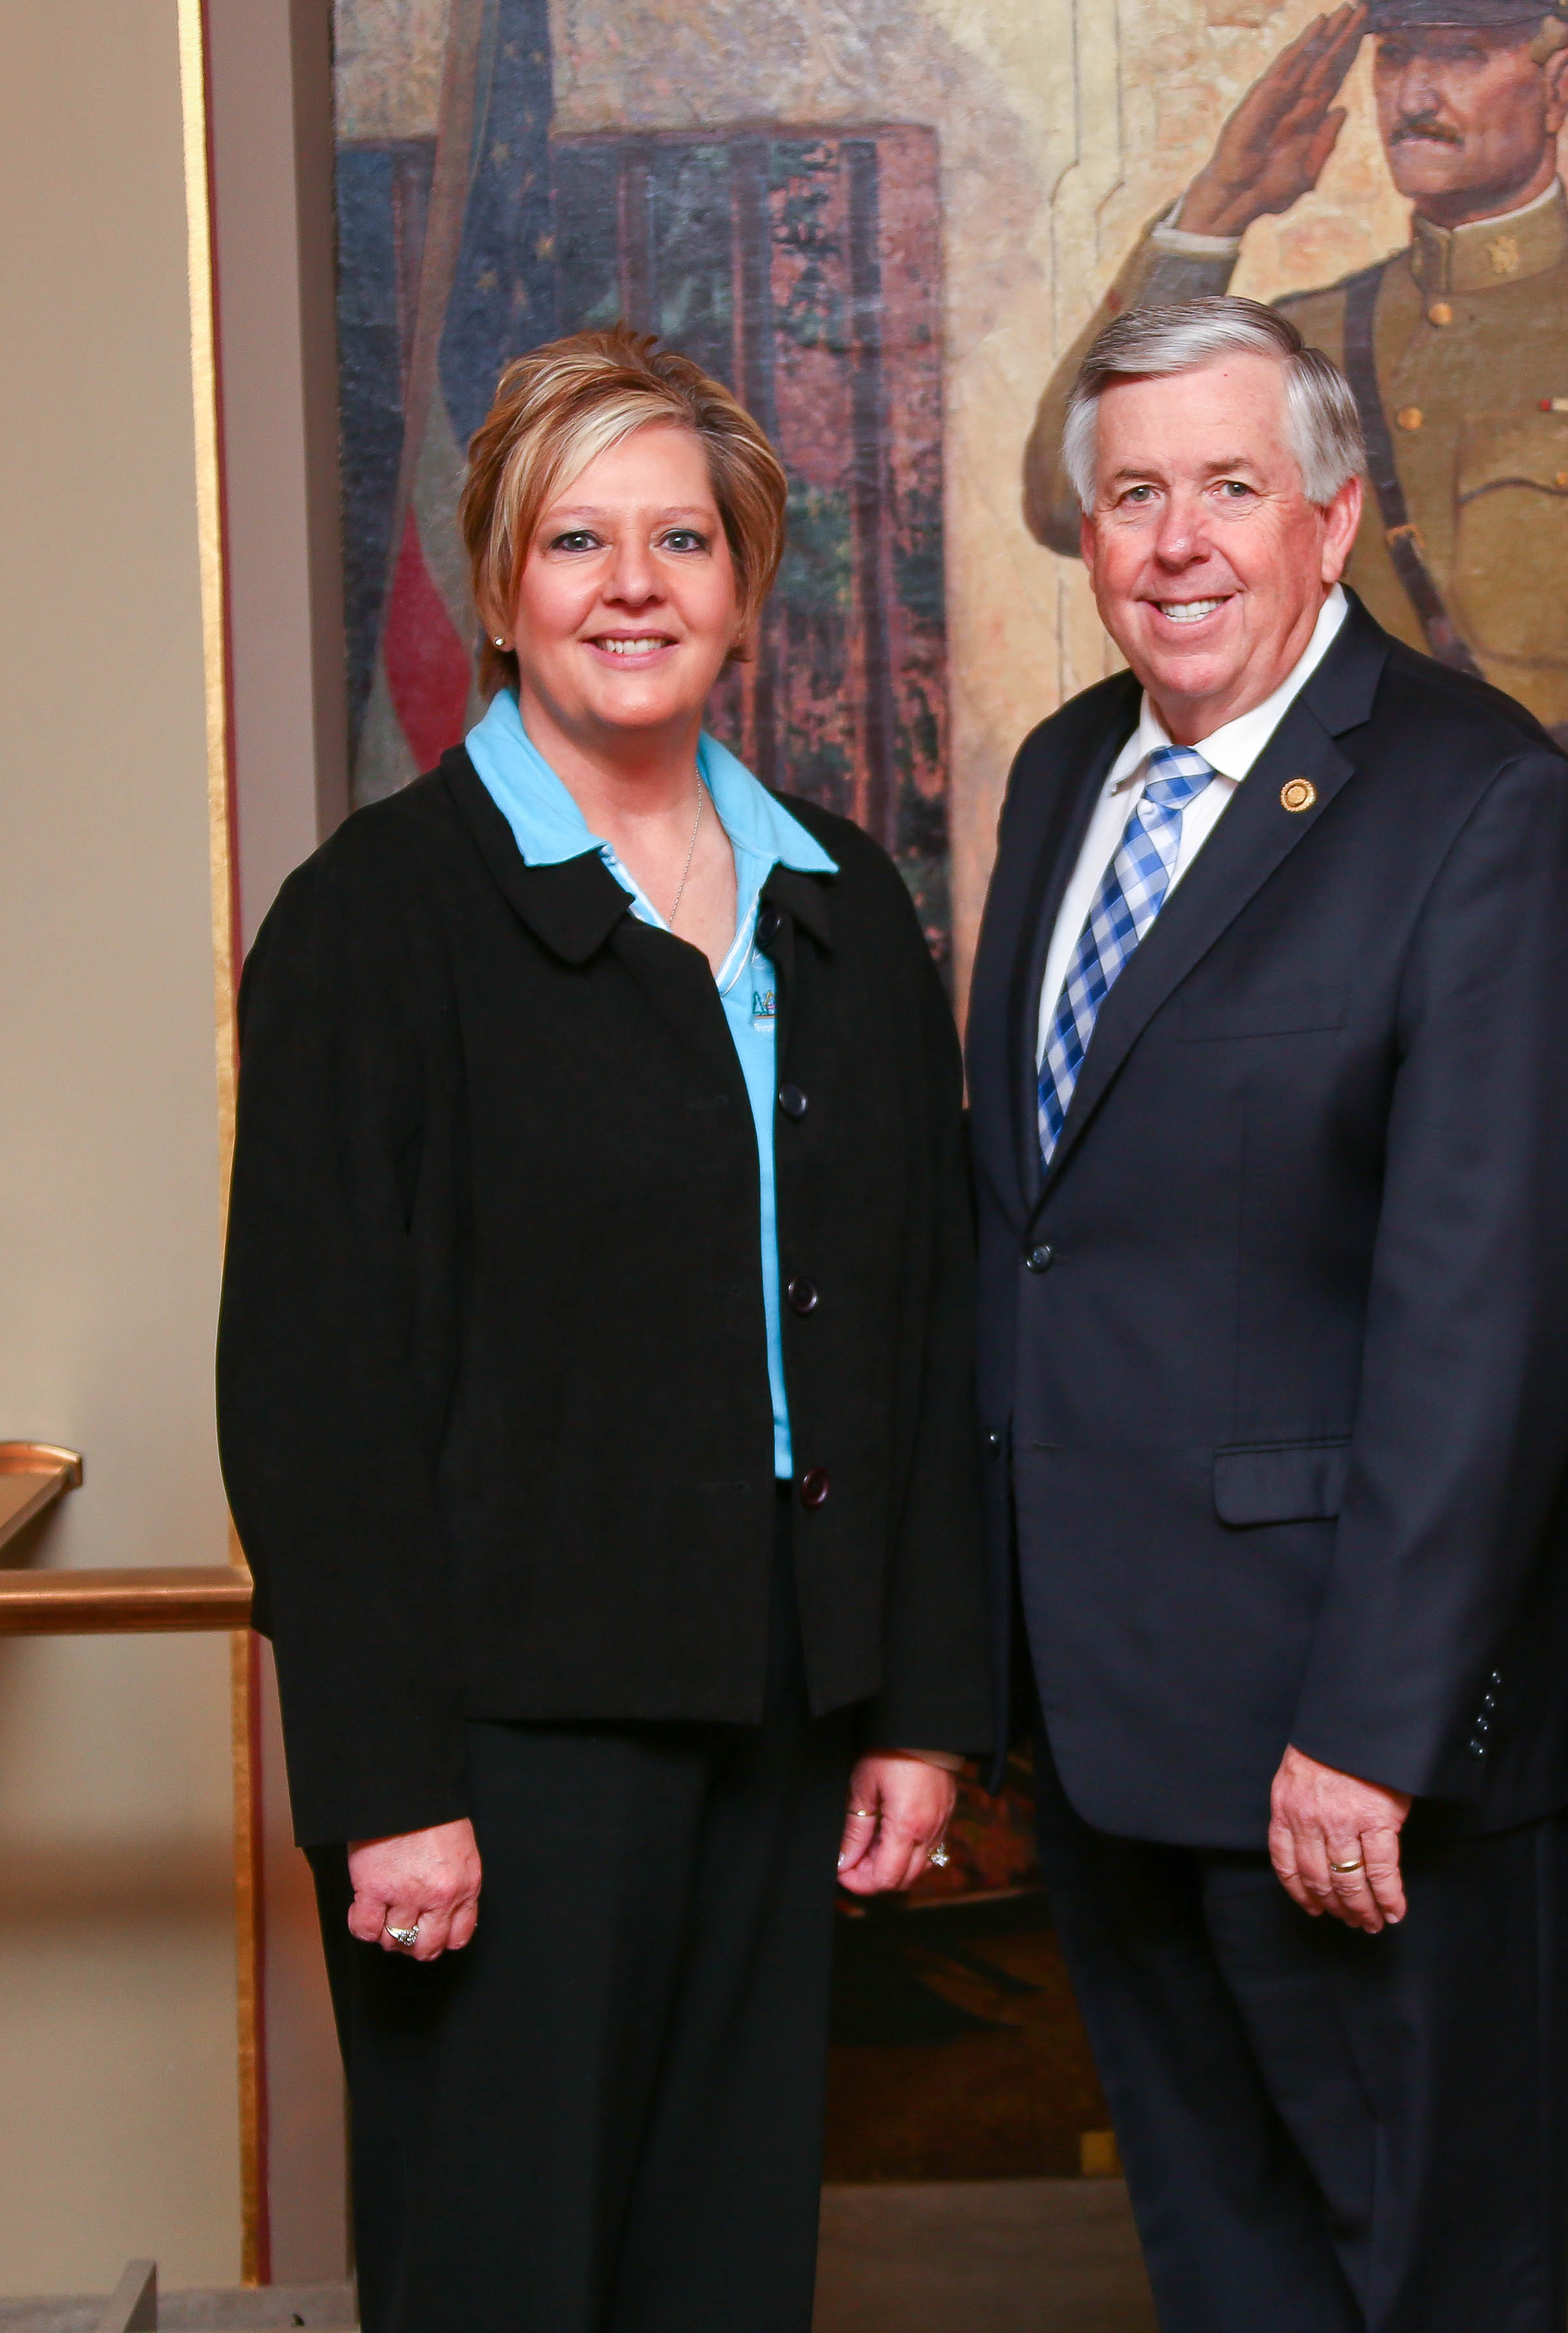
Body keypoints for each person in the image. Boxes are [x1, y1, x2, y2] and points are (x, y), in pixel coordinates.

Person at [217, 329, 986, 2333]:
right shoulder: (379, 921)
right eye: (577, 540)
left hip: (780, 1714)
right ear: (499, 586)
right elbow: (312, 1392)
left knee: (723, 2282)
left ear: (742, 587)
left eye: (680, 539)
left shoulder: (840, 913)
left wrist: (914, 1703)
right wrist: (387, 1774)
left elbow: (920, 1334)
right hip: (499, 1750)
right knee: (506, 2281)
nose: (631, 584)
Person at [971, 296, 1568, 2331]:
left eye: (1230, 490)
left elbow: (1493, 1318)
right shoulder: (1067, 766)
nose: (1175, 542)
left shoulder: (1476, 806)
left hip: (1347, 1743)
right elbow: (1040, 1233)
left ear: (1332, 517)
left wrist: (1369, 1727)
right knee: (1225, 2263)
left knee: (1416, 2278)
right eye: (1132, 495)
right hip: (1108, 1714)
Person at [1020, 0, 1568, 945]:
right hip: (1328, 900)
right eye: (1397, 54)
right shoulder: (1311, 341)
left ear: (1561, 84)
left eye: (1460, 54)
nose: (1415, 91)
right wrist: (1217, 207)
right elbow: (1064, 495)